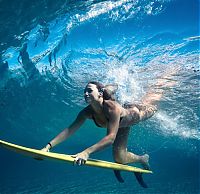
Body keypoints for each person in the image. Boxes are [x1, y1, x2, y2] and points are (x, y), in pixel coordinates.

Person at [42, 74, 176, 186]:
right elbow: (69, 130)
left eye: (89, 90)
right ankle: (143, 159)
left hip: (134, 114)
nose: (85, 93)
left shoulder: (111, 108)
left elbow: (111, 137)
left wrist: (86, 153)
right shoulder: (86, 112)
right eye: (84, 91)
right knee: (120, 158)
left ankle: (165, 81)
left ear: (100, 93)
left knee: (152, 106)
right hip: (119, 124)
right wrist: (48, 146)